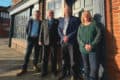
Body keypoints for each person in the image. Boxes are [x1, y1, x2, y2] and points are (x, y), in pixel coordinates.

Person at [77, 10, 101, 80]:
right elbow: (78, 37)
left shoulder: (94, 24)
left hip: (92, 49)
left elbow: (99, 35)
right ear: (82, 17)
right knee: (86, 66)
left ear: (89, 16)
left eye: (87, 15)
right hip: (83, 50)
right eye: (84, 15)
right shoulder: (80, 26)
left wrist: (92, 45)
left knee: (94, 67)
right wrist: (84, 45)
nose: (86, 17)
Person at [58, 5, 80, 80]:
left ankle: (73, 75)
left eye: (68, 10)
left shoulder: (76, 19)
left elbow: (76, 30)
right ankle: (64, 73)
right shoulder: (61, 20)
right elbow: (59, 30)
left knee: (73, 60)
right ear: (64, 11)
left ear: (71, 11)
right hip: (63, 42)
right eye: (65, 10)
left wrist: (68, 37)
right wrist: (62, 37)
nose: (67, 11)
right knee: (64, 59)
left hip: (71, 42)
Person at [17, 10, 42, 76]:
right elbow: (27, 29)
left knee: (36, 53)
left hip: (37, 39)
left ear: (40, 15)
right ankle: (24, 68)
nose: (37, 15)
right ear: (34, 14)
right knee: (27, 53)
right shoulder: (30, 21)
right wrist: (28, 36)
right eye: (36, 14)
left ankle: (35, 65)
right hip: (30, 39)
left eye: (38, 14)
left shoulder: (41, 22)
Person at [39, 10, 59, 77]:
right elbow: (41, 32)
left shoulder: (57, 21)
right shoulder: (44, 21)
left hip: (54, 42)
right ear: (47, 14)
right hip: (45, 42)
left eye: (52, 13)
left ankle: (54, 71)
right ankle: (44, 71)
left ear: (53, 14)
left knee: (54, 57)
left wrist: (58, 40)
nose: (51, 14)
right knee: (44, 57)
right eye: (49, 13)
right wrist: (40, 40)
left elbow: (59, 31)